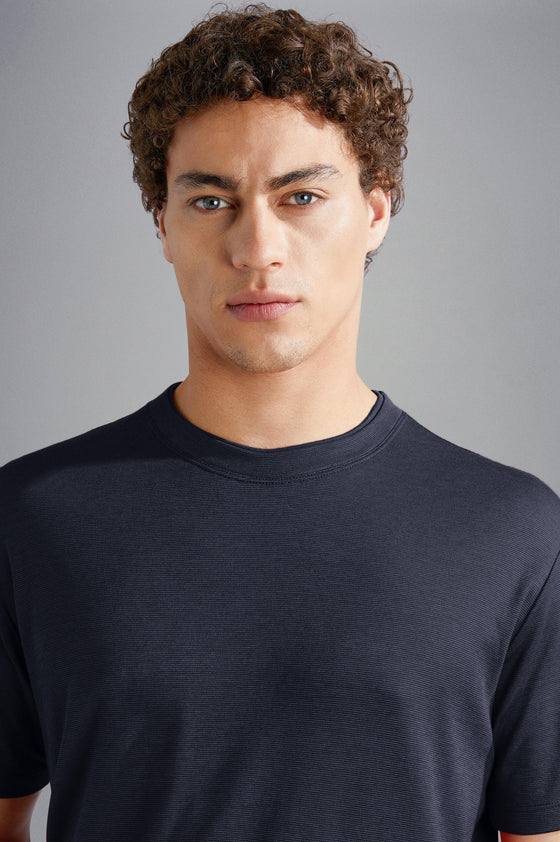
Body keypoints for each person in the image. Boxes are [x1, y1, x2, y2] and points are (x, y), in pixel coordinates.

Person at [1, 4, 559, 841]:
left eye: (301, 196)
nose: (256, 247)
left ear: (375, 213)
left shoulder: (511, 532)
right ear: (163, 225)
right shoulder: (35, 517)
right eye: (210, 199)